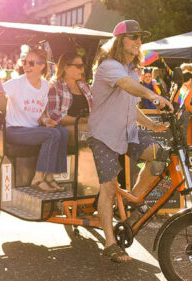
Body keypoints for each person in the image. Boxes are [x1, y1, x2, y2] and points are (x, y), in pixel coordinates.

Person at [88, 20, 172, 263]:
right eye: (133, 37)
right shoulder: (108, 66)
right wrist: (152, 95)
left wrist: (152, 125)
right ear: (119, 41)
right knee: (108, 188)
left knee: (160, 155)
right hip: (103, 135)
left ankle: (132, 201)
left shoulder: (132, 70)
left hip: (128, 132)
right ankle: (110, 243)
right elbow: (129, 87)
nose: (138, 42)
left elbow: (130, 107)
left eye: (140, 38)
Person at [0, 47, 68, 192]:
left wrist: (45, 121)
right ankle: (37, 180)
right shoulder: (17, 83)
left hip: (33, 129)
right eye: (24, 62)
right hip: (14, 130)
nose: (26, 66)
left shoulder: (45, 86)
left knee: (63, 132)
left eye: (31, 63)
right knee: (52, 134)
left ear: (41, 66)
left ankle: (49, 177)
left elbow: (41, 112)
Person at [47, 52, 92, 144]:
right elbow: (53, 115)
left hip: (88, 125)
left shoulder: (84, 86)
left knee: (107, 130)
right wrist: (81, 120)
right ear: (66, 67)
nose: (82, 69)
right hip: (66, 128)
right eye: (78, 66)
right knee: (94, 133)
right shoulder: (55, 86)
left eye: (83, 66)